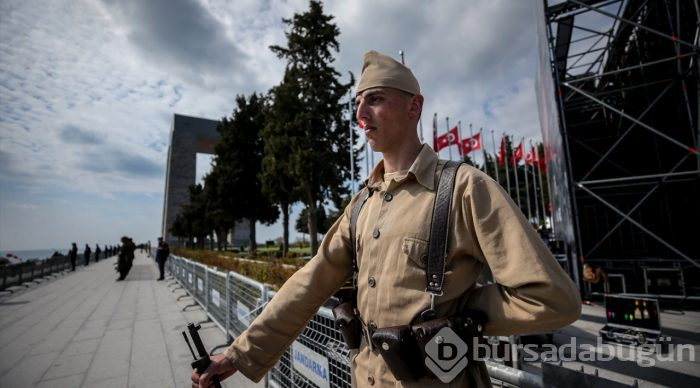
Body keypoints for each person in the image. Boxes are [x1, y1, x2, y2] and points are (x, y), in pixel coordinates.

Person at [192, 50, 581, 388]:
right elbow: (310, 283)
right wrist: (238, 355)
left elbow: (550, 298)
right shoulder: (362, 203)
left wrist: (460, 314)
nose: (360, 114)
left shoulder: (464, 188)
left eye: (374, 99)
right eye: (357, 103)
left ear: (414, 106)